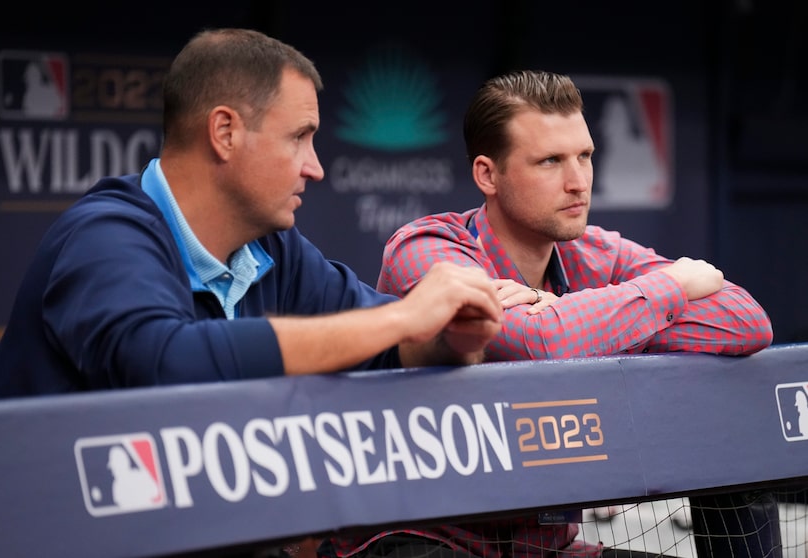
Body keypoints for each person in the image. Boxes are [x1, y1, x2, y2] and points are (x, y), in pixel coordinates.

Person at [326, 71, 774, 557]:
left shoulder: (598, 252)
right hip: (422, 538)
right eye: (550, 161)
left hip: (545, 547)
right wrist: (667, 290)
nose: (578, 181)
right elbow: (542, 344)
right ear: (487, 175)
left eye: (585, 156)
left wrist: (575, 311)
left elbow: (749, 321)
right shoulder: (428, 248)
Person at [0, 28, 505, 400]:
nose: (316, 168)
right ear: (225, 132)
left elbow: (386, 351)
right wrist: (402, 316)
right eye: (299, 137)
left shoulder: (271, 248)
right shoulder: (104, 236)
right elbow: (165, 364)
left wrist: (446, 340)